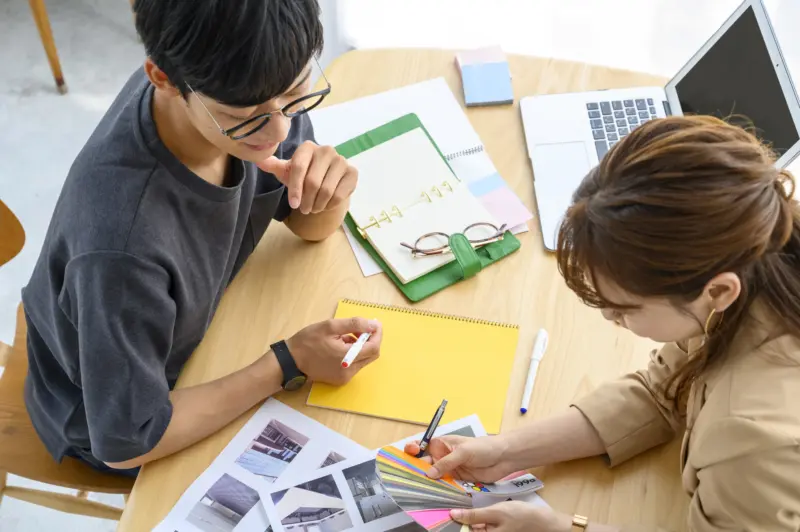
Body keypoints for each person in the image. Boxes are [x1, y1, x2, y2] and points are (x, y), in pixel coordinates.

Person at [21, 0, 382, 476]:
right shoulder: (122, 249)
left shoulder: (241, 73)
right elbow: (127, 441)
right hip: (126, 418)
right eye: (249, 114)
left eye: (296, 94)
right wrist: (286, 363)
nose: (278, 130)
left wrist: (330, 194)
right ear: (163, 78)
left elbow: (307, 227)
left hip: (197, 335)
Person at [405, 116, 800, 531]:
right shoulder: (753, 268)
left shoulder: (757, 438)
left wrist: (560, 528)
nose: (611, 318)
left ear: (718, 291)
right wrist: (506, 451)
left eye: (626, 307)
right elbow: (666, 389)